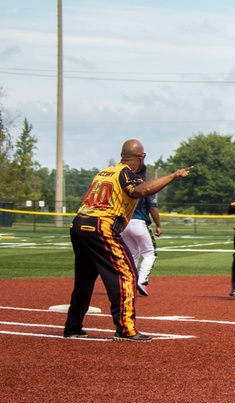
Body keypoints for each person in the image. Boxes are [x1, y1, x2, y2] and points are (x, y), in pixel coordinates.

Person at [63, 139, 193, 342]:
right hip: (101, 225)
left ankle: (73, 326)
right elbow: (140, 191)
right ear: (142, 157)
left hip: (79, 224)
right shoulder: (126, 173)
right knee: (127, 274)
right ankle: (125, 329)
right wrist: (174, 175)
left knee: (85, 279)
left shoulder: (105, 172)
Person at [120, 164, 162, 296]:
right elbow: (153, 208)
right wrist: (158, 225)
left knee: (132, 254)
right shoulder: (145, 187)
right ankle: (142, 280)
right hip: (139, 222)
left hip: (124, 224)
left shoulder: (124, 185)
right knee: (150, 253)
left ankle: (127, 282)